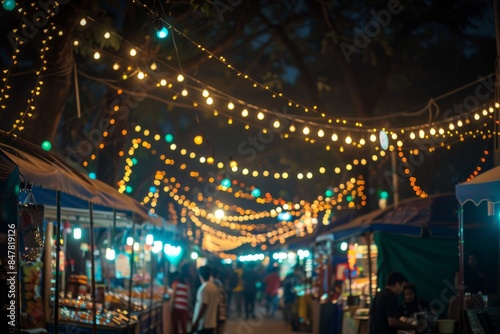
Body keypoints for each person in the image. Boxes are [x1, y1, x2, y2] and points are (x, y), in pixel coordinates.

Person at [192, 265, 219, 334]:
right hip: (212, 323)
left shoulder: (203, 288)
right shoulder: (214, 287)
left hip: (204, 324)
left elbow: (204, 305)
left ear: (200, 275)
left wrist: (196, 321)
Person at [171, 268, 191, 334]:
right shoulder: (187, 284)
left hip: (177, 307)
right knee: (183, 326)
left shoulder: (175, 283)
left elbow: (173, 295)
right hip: (184, 307)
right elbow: (188, 296)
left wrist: (172, 304)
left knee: (175, 326)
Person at [211, 267, 227, 334]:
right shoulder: (220, 284)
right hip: (221, 312)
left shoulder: (212, 283)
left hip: (216, 313)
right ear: (218, 275)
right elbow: (224, 298)